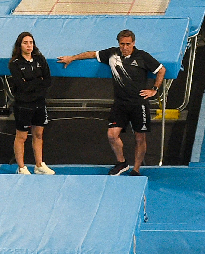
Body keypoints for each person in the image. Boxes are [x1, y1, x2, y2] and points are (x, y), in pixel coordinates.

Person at [58, 29, 166, 175]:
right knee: (112, 135)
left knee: (140, 138)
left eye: (128, 44)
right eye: (122, 44)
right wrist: (72, 58)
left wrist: (154, 89)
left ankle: (136, 169)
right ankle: (122, 163)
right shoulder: (112, 54)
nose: (125, 47)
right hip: (120, 104)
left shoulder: (142, 56)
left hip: (138, 104)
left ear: (133, 43)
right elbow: (92, 54)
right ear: (118, 43)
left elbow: (161, 70)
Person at [8, 32, 54, 175]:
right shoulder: (15, 64)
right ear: (20, 45)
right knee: (21, 137)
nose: (29, 45)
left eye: (31, 42)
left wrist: (30, 82)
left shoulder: (40, 59)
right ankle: (21, 167)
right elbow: (22, 86)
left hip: (39, 102)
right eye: (25, 43)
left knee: (38, 134)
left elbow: (48, 80)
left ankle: (39, 165)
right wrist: (38, 81)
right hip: (24, 105)